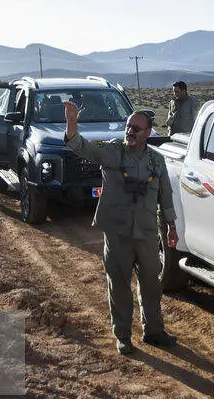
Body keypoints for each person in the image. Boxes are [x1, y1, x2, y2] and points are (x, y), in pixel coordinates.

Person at [63, 100, 179, 355]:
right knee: (119, 285)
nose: (130, 131)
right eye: (128, 126)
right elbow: (82, 147)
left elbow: (166, 196)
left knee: (151, 284)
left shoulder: (157, 161)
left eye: (136, 128)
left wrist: (171, 226)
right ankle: (123, 335)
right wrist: (72, 122)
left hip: (147, 233)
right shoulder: (113, 151)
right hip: (118, 233)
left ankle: (154, 331)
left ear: (148, 132)